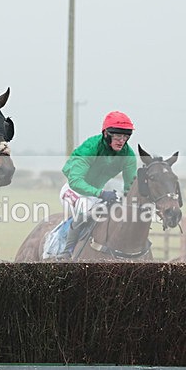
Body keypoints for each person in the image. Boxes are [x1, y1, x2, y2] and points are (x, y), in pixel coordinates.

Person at [55, 111, 138, 259]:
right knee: (85, 208)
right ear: (106, 134)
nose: (121, 141)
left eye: (125, 137)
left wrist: (128, 202)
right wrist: (101, 193)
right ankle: (66, 252)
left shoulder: (128, 156)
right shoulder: (90, 148)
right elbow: (75, 181)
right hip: (74, 190)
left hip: (97, 194)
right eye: (117, 136)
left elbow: (130, 187)